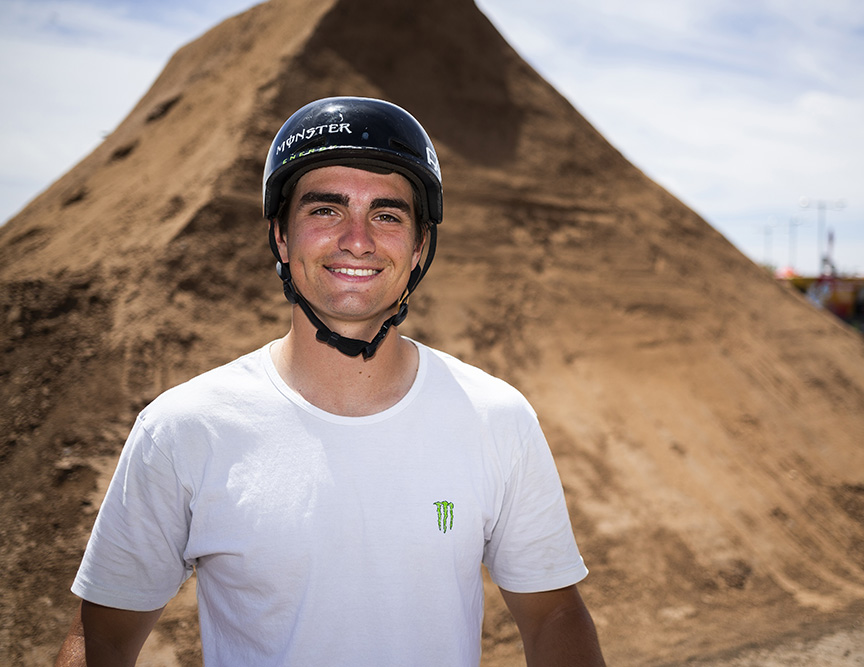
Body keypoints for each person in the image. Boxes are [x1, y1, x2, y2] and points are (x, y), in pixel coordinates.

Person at [56, 97, 604, 666]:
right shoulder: (182, 429)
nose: (357, 239)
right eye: (326, 211)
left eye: (387, 215)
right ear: (281, 237)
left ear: (419, 248)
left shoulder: (497, 417)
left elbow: (554, 616)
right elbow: (104, 637)